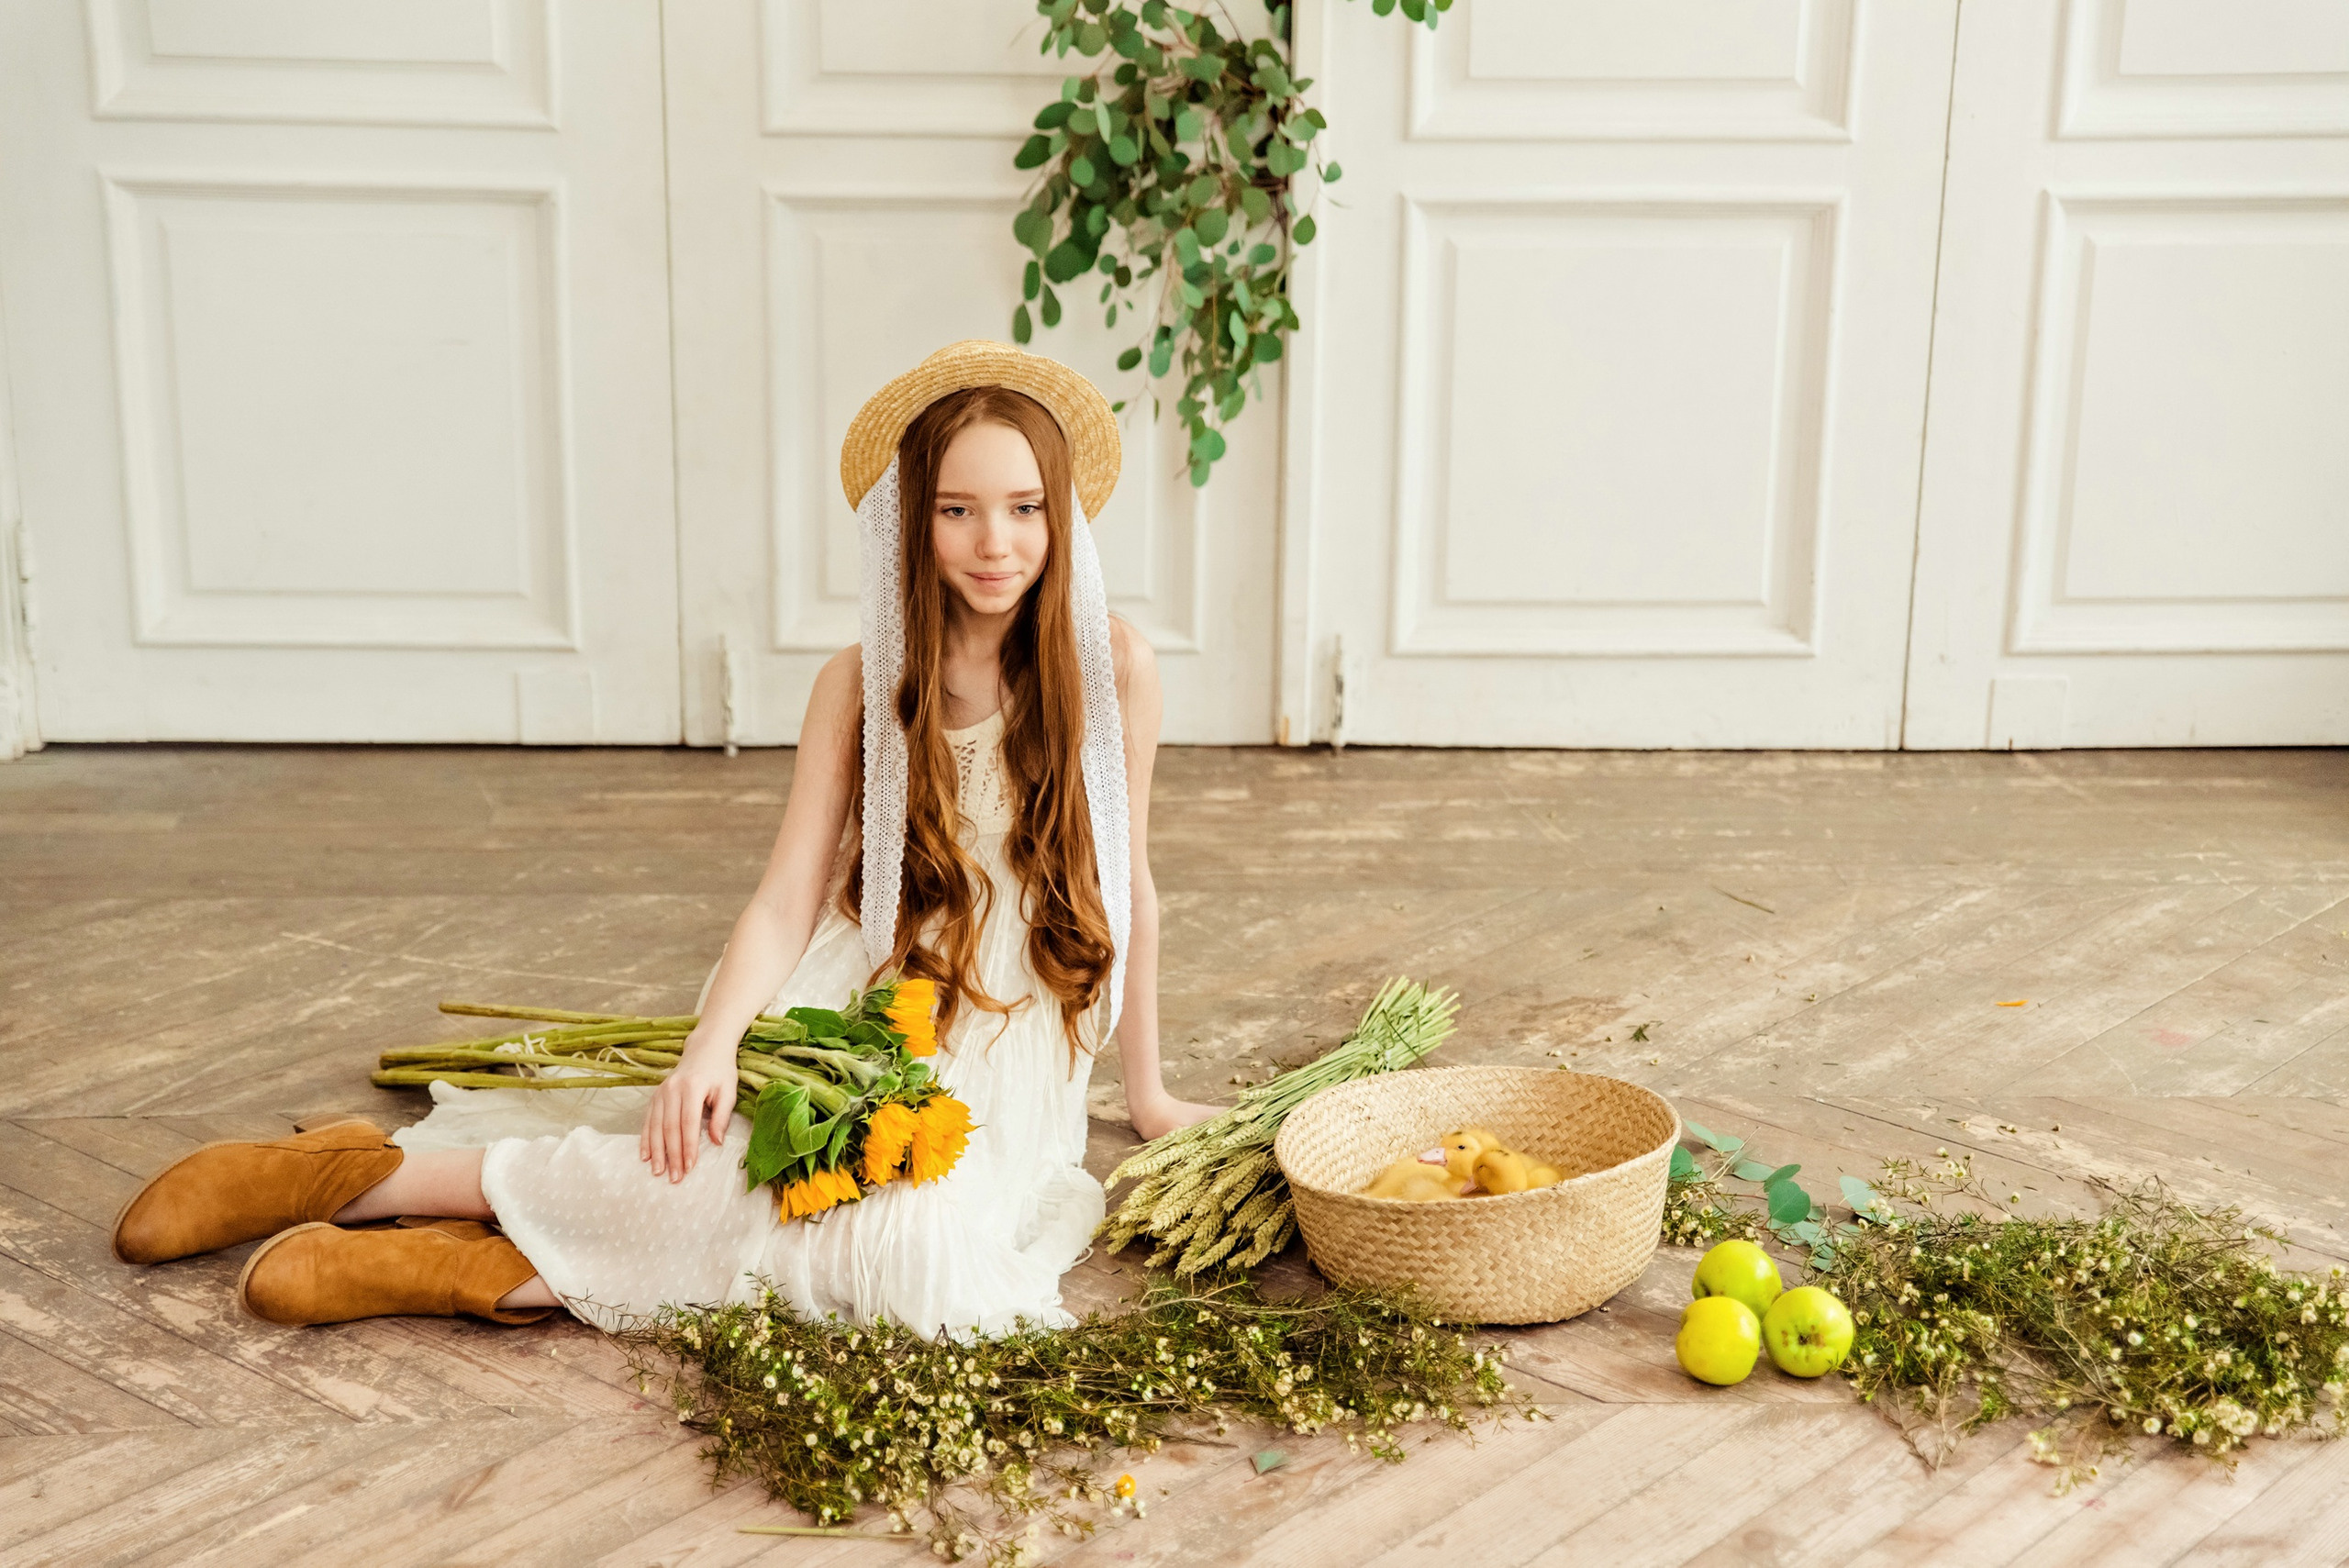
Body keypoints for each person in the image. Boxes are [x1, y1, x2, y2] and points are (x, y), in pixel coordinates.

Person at [110, 341, 1219, 1339]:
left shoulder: (1110, 667)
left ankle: (466, 1263)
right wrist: (712, 1044)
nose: (994, 542)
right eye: (957, 509)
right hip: (880, 992)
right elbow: (785, 898)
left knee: (908, 1250)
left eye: (1025, 508)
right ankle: (353, 1180)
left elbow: (1128, 884)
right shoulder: (862, 682)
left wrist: (1150, 1093)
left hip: (1015, 1030)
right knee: (741, 1161)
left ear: (1063, 517)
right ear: (909, 520)